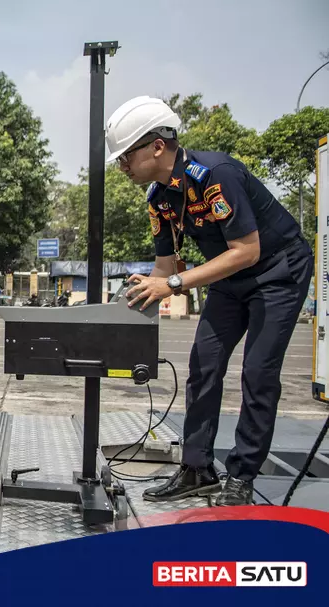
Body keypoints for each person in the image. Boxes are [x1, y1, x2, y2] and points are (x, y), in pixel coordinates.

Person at [108, 96, 314, 506]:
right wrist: (151, 283)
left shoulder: (216, 175)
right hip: (229, 274)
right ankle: (197, 468)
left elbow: (247, 250)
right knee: (203, 364)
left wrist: (176, 283)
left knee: (257, 373)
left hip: (276, 271)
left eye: (127, 155)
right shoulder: (159, 199)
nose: (122, 165)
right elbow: (166, 266)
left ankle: (241, 477)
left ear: (157, 146)